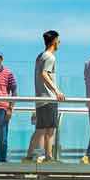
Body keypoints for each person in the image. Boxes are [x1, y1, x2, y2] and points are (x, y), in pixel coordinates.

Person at [25, 30, 65, 163]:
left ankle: (29, 157)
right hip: (48, 98)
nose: (59, 43)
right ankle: (48, 157)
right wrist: (57, 91)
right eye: (58, 40)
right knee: (50, 130)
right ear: (54, 41)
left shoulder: (40, 56)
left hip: (40, 99)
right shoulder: (50, 57)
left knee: (40, 129)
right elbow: (44, 74)